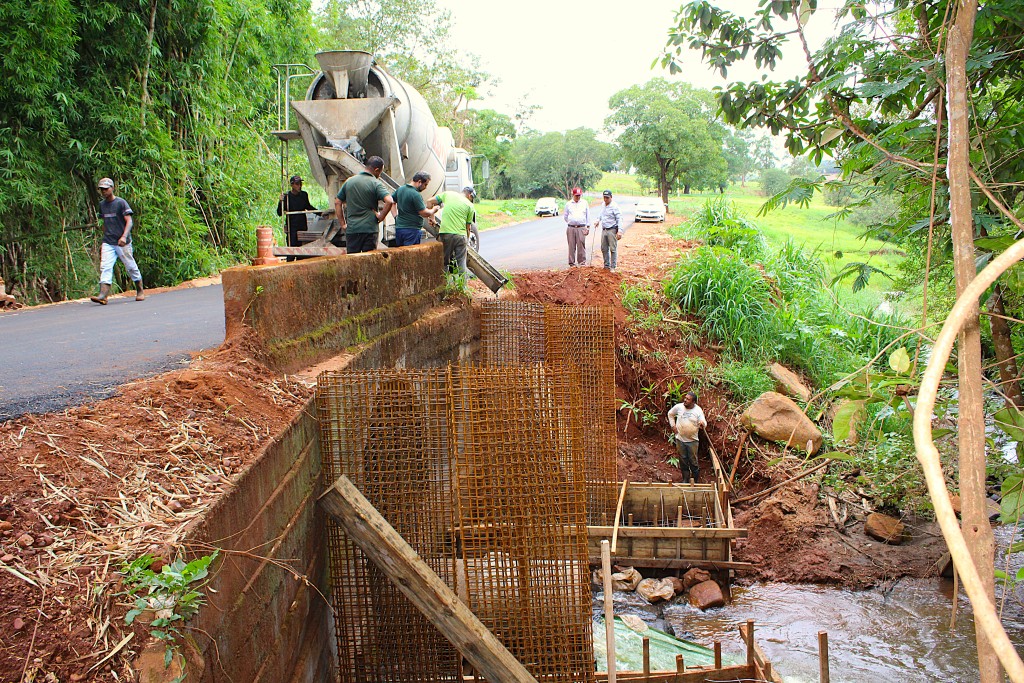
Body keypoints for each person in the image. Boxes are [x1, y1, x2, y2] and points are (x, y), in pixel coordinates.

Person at [90, 177, 144, 305]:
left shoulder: (121, 203)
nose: (104, 192)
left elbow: (129, 221)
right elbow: (104, 221)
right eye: (102, 189)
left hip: (122, 242)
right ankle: (103, 295)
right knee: (105, 267)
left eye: (106, 189)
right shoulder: (102, 205)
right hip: (108, 241)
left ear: (112, 188)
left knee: (130, 266)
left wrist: (124, 236)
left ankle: (140, 290)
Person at [334, 156, 394, 254]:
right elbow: (389, 201)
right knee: (369, 261)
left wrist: (343, 224)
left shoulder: (349, 181)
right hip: (370, 229)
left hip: (352, 229)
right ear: (376, 169)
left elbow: (337, 202)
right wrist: (381, 217)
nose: (379, 175)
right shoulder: (375, 183)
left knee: (352, 261)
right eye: (380, 172)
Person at [427, 186, 475, 274]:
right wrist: (467, 241)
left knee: (444, 262)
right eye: (472, 198)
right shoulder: (470, 206)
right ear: (469, 195)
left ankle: (444, 284)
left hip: (445, 234)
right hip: (460, 236)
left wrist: (432, 217)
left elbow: (429, 201)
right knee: (461, 263)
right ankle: (462, 286)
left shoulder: (448, 194)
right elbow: (468, 228)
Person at [667, 391, 707, 483]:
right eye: (685, 398)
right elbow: (670, 414)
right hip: (680, 439)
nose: (685, 400)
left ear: (693, 402)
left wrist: (702, 424)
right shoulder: (679, 407)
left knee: (693, 461)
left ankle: (695, 480)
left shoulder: (698, 410)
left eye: (688, 399)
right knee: (683, 460)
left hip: (692, 441)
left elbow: (704, 422)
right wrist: (673, 426)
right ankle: (685, 479)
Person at [277, 175, 319, 261]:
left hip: (302, 226)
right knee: (292, 250)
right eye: (297, 184)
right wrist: (280, 201)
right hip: (291, 227)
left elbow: (308, 206)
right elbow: (279, 213)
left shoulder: (303, 195)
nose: (299, 186)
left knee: (302, 251)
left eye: (300, 184)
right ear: (292, 185)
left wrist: (320, 213)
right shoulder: (287, 197)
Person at [393, 172, 438, 246]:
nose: (425, 187)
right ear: (419, 182)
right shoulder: (415, 194)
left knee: (401, 254)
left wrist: (395, 216)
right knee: (410, 255)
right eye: (425, 184)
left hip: (399, 229)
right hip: (412, 230)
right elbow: (424, 213)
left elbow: (392, 202)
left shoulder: (400, 189)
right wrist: (433, 210)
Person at [593, 189, 624, 271]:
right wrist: (597, 220)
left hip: (612, 229)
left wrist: (620, 231)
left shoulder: (615, 207)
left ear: (611, 197)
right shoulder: (603, 205)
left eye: (607, 198)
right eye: (604, 197)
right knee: (604, 248)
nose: (606, 199)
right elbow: (601, 214)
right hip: (604, 229)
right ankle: (606, 265)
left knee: (613, 249)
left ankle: (613, 267)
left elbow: (619, 219)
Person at [563, 187, 590, 267]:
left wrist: (587, 227)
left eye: (579, 195)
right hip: (571, 227)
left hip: (581, 227)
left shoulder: (584, 203)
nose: (578, 197)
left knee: (581, 245)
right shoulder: (568, 204)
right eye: (576, 195)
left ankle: (582, 263)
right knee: (571, 246)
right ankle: (572, 263)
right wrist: (571, 222)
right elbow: (565, 216)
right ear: (573, 195)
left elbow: (588, 215)